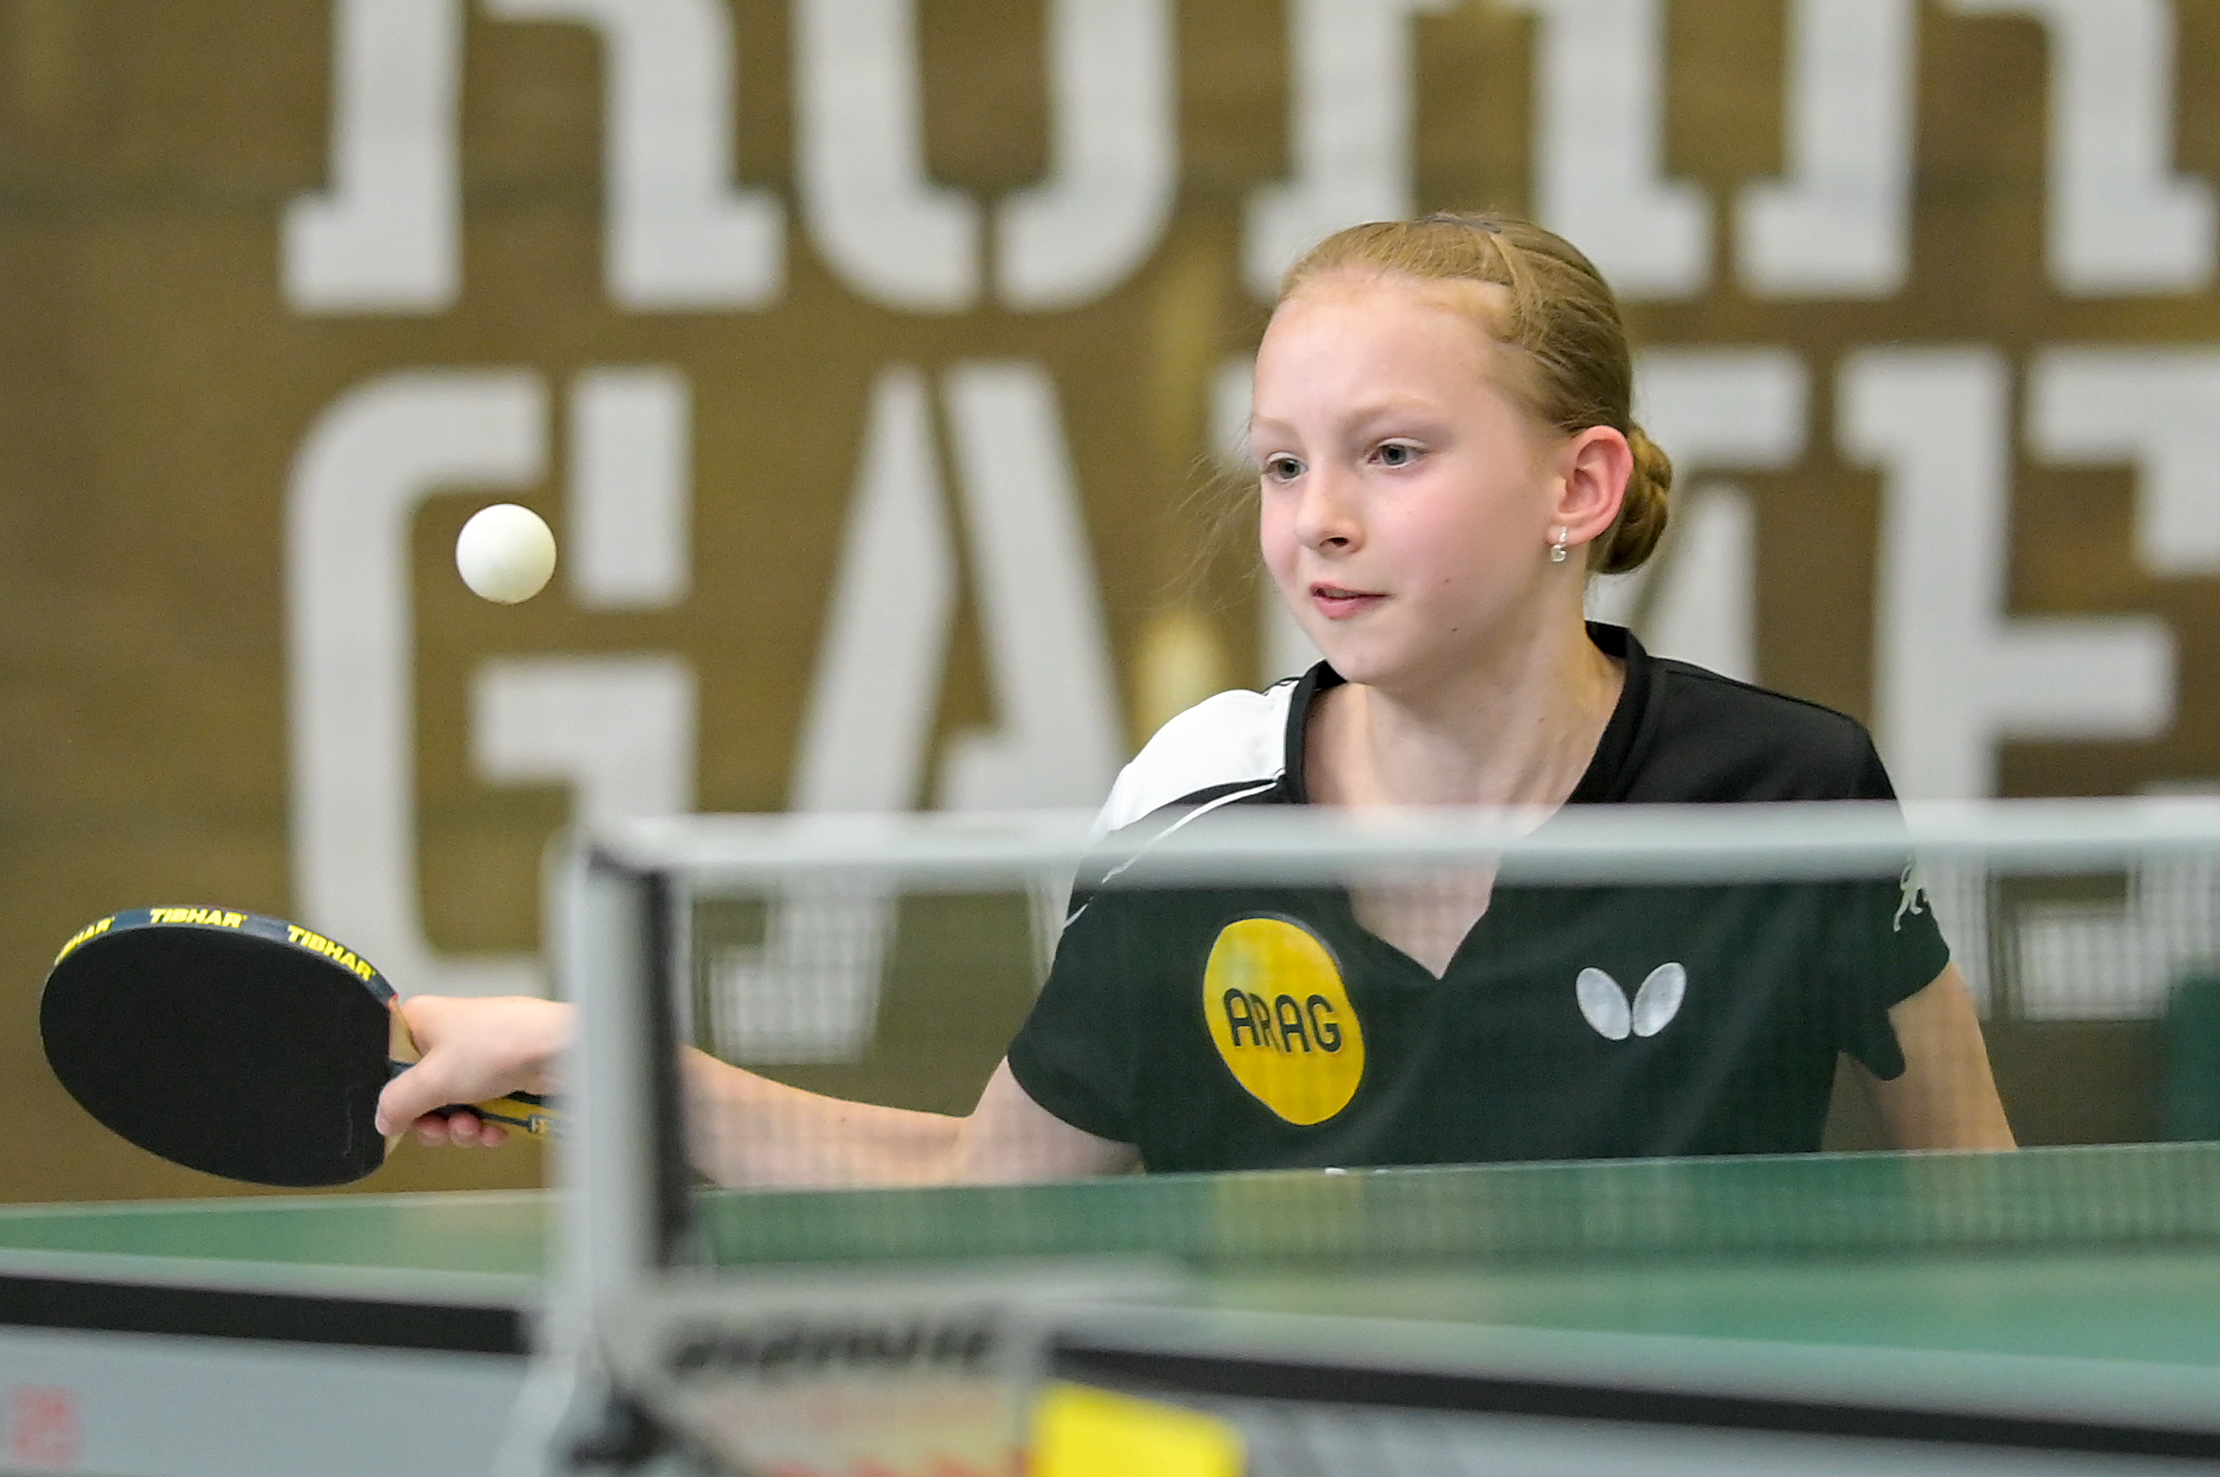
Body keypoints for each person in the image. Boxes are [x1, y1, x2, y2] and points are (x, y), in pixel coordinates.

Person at [377, 213, 2015, 1183]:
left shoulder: (1785, 791)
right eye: (1284, 465)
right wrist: (595, 1057)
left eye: (1392, 452)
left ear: (1576, 486)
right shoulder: (1199, 812)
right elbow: (987, 1186)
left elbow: (1983, 1207)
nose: (1319, 520)